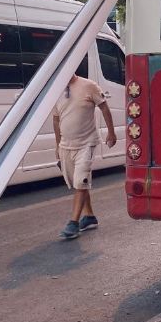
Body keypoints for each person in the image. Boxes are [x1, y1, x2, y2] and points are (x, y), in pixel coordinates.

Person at [53, 73, 117, 239]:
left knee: (81, 180)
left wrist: (111, 132)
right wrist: (57, 146)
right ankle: (89, 217)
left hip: (86, 143)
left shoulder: (89, 85)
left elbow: (104, 107)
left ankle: (73, 223)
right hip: (66, 145)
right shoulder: (56, 90)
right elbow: (56, 119)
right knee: (77, 182)